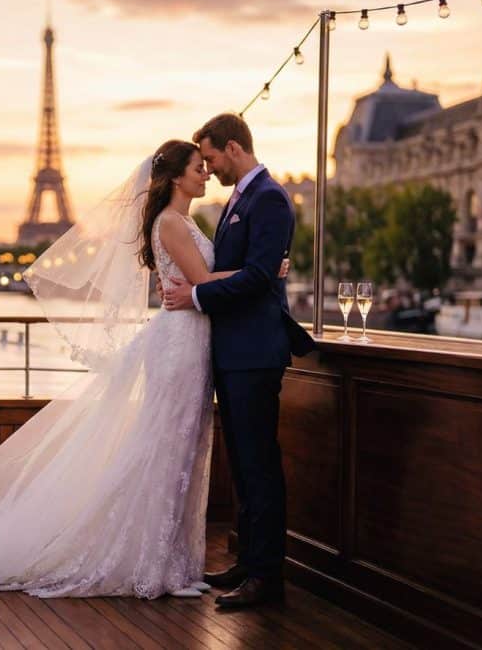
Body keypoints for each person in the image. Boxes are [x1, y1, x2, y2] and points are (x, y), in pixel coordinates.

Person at [0, 139, 290, 599]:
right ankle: (151, 560)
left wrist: (248, 272)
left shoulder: (183, 220)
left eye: (207, 166)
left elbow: (200, 283)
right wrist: (267, 271)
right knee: (166, 449)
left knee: (179, 450)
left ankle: (167, 559)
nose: (205, 173)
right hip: (181, 345)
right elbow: (203, 283)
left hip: (191, 343)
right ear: (176, 177)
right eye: (198, 167)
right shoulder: (171, 222)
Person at [163, 113, 315, 609]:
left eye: (209, 157)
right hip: (233, 353)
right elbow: (249, 270)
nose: (207, 168)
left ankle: (267, 578)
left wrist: (197, 299)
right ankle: (250, 561)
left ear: (232, 148)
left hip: (253, 352)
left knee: (260, 466)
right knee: (247, 469)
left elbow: (254, 280)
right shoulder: (241, 199)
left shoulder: (268, 199)